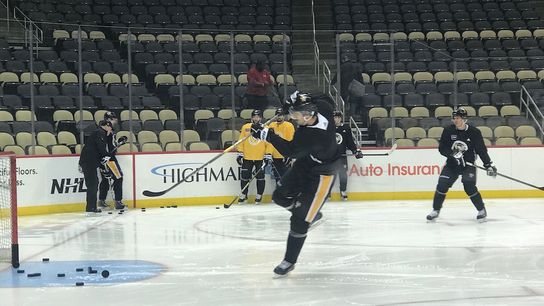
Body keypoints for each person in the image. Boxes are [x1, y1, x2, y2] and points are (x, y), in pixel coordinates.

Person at [251, 91, 341, 277]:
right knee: (279, 196)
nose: (293, 118)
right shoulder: (323, 108)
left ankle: (289, 261)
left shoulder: (314, 137)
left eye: (295, 116)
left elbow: (290, 151)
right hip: (306, 163)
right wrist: (295, 99)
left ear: (308, 116)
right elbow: (323, 96)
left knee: (299, 221)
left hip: (323, 174)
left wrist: (267, 134)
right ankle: (310, 215)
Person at [426, 108, 497, 222]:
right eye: (454, 118)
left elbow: (481, 150)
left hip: (468, 165)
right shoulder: (448, 131)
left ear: (464, 119)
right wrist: (453, 154)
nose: (455, 120)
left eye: (458, 118)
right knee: (442, 185)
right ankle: (435, 210)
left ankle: (481, 210)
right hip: (452, 165)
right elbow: (442, 148)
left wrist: (488, 164)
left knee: (469, 186)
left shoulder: (474, 132)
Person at [78, 119, 114, 216]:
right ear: (106, 126)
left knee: (94, 183)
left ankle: (91, 207)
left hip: (90, 162)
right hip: (88, 162)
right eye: (110, 127)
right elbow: (100, 148)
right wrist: (107, 155)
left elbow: (99, 150)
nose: (111, 130)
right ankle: (90, 208)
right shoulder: (99, 133)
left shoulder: (99, 133)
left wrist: (105, 157)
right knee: (92, 184)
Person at [236, 109, 272, 204]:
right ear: (251, 117)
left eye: (258, 116)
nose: (256, 118)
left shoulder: (265, 128)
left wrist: (268, 155)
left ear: (260, 118)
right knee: (244, 177)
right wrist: (240, 154)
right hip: (247, 157)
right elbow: (241, 141)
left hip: (260, 158)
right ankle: (244, 195)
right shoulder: (245, 127)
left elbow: (269, 143)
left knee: (260, 177)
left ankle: (259, 195)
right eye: (254, 116)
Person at [97, 111, 127, 211]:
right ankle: (118, 201)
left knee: (105, 180)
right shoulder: (107, 132)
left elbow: (110, 146)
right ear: (108, 120)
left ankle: (101, 200)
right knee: (118, 177)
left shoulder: (105, 131)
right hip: (109, 159)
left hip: (105, 159)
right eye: (113, 119)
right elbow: (107, 148)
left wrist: (118, 143)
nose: (116, 120)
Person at [333, 111, 363, 200]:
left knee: (343, 174)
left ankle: (343, 191)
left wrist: (355, 151)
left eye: (338, 117)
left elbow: (349, 142)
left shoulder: (346, 128)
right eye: (335, 117)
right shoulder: (329, 128)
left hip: (342, 156)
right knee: (329, 174)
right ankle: (327, 193)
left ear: (341, 118)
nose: (337, 119)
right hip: (331, 156)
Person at [267, 108, 295, 186]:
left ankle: (287, 194)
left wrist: (289, 154)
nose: (279, 117)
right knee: (277, 177)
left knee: (286, 176)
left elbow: (290, 140)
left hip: (285, 156)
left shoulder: (289, 125)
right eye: (278, 115)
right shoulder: (272, 125)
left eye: (281, 115)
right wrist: (269, 153)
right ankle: (279, 193)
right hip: (275, 156)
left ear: (284, 116)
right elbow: (269, 141)